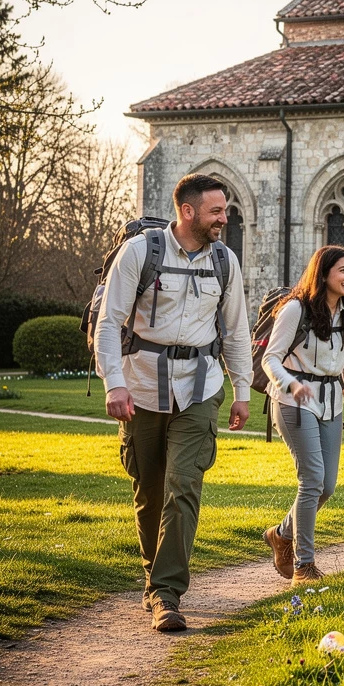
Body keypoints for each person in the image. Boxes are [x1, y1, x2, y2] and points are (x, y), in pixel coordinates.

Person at [95, 173, 252, 632]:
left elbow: (236, 331)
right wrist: (114, 384)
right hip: (141, 387)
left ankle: (167, 593)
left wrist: (242, 391)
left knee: (183, 485)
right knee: (149, 490)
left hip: (200, 388)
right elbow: (109, 323)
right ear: (187, 211)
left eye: (225, 211)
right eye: (216, 211)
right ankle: (154, 579)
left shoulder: (225, 260)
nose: (224, 219)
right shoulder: (139, 253)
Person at [261, 246, 344, 585]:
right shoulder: (296, 309)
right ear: (323, 274)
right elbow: (270, 359)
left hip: (331, 404)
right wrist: (291, 385)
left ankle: (281, 534)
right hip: (293, 401)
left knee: (327, 486)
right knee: (312, 480)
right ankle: (304, 565)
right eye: (343, 270)